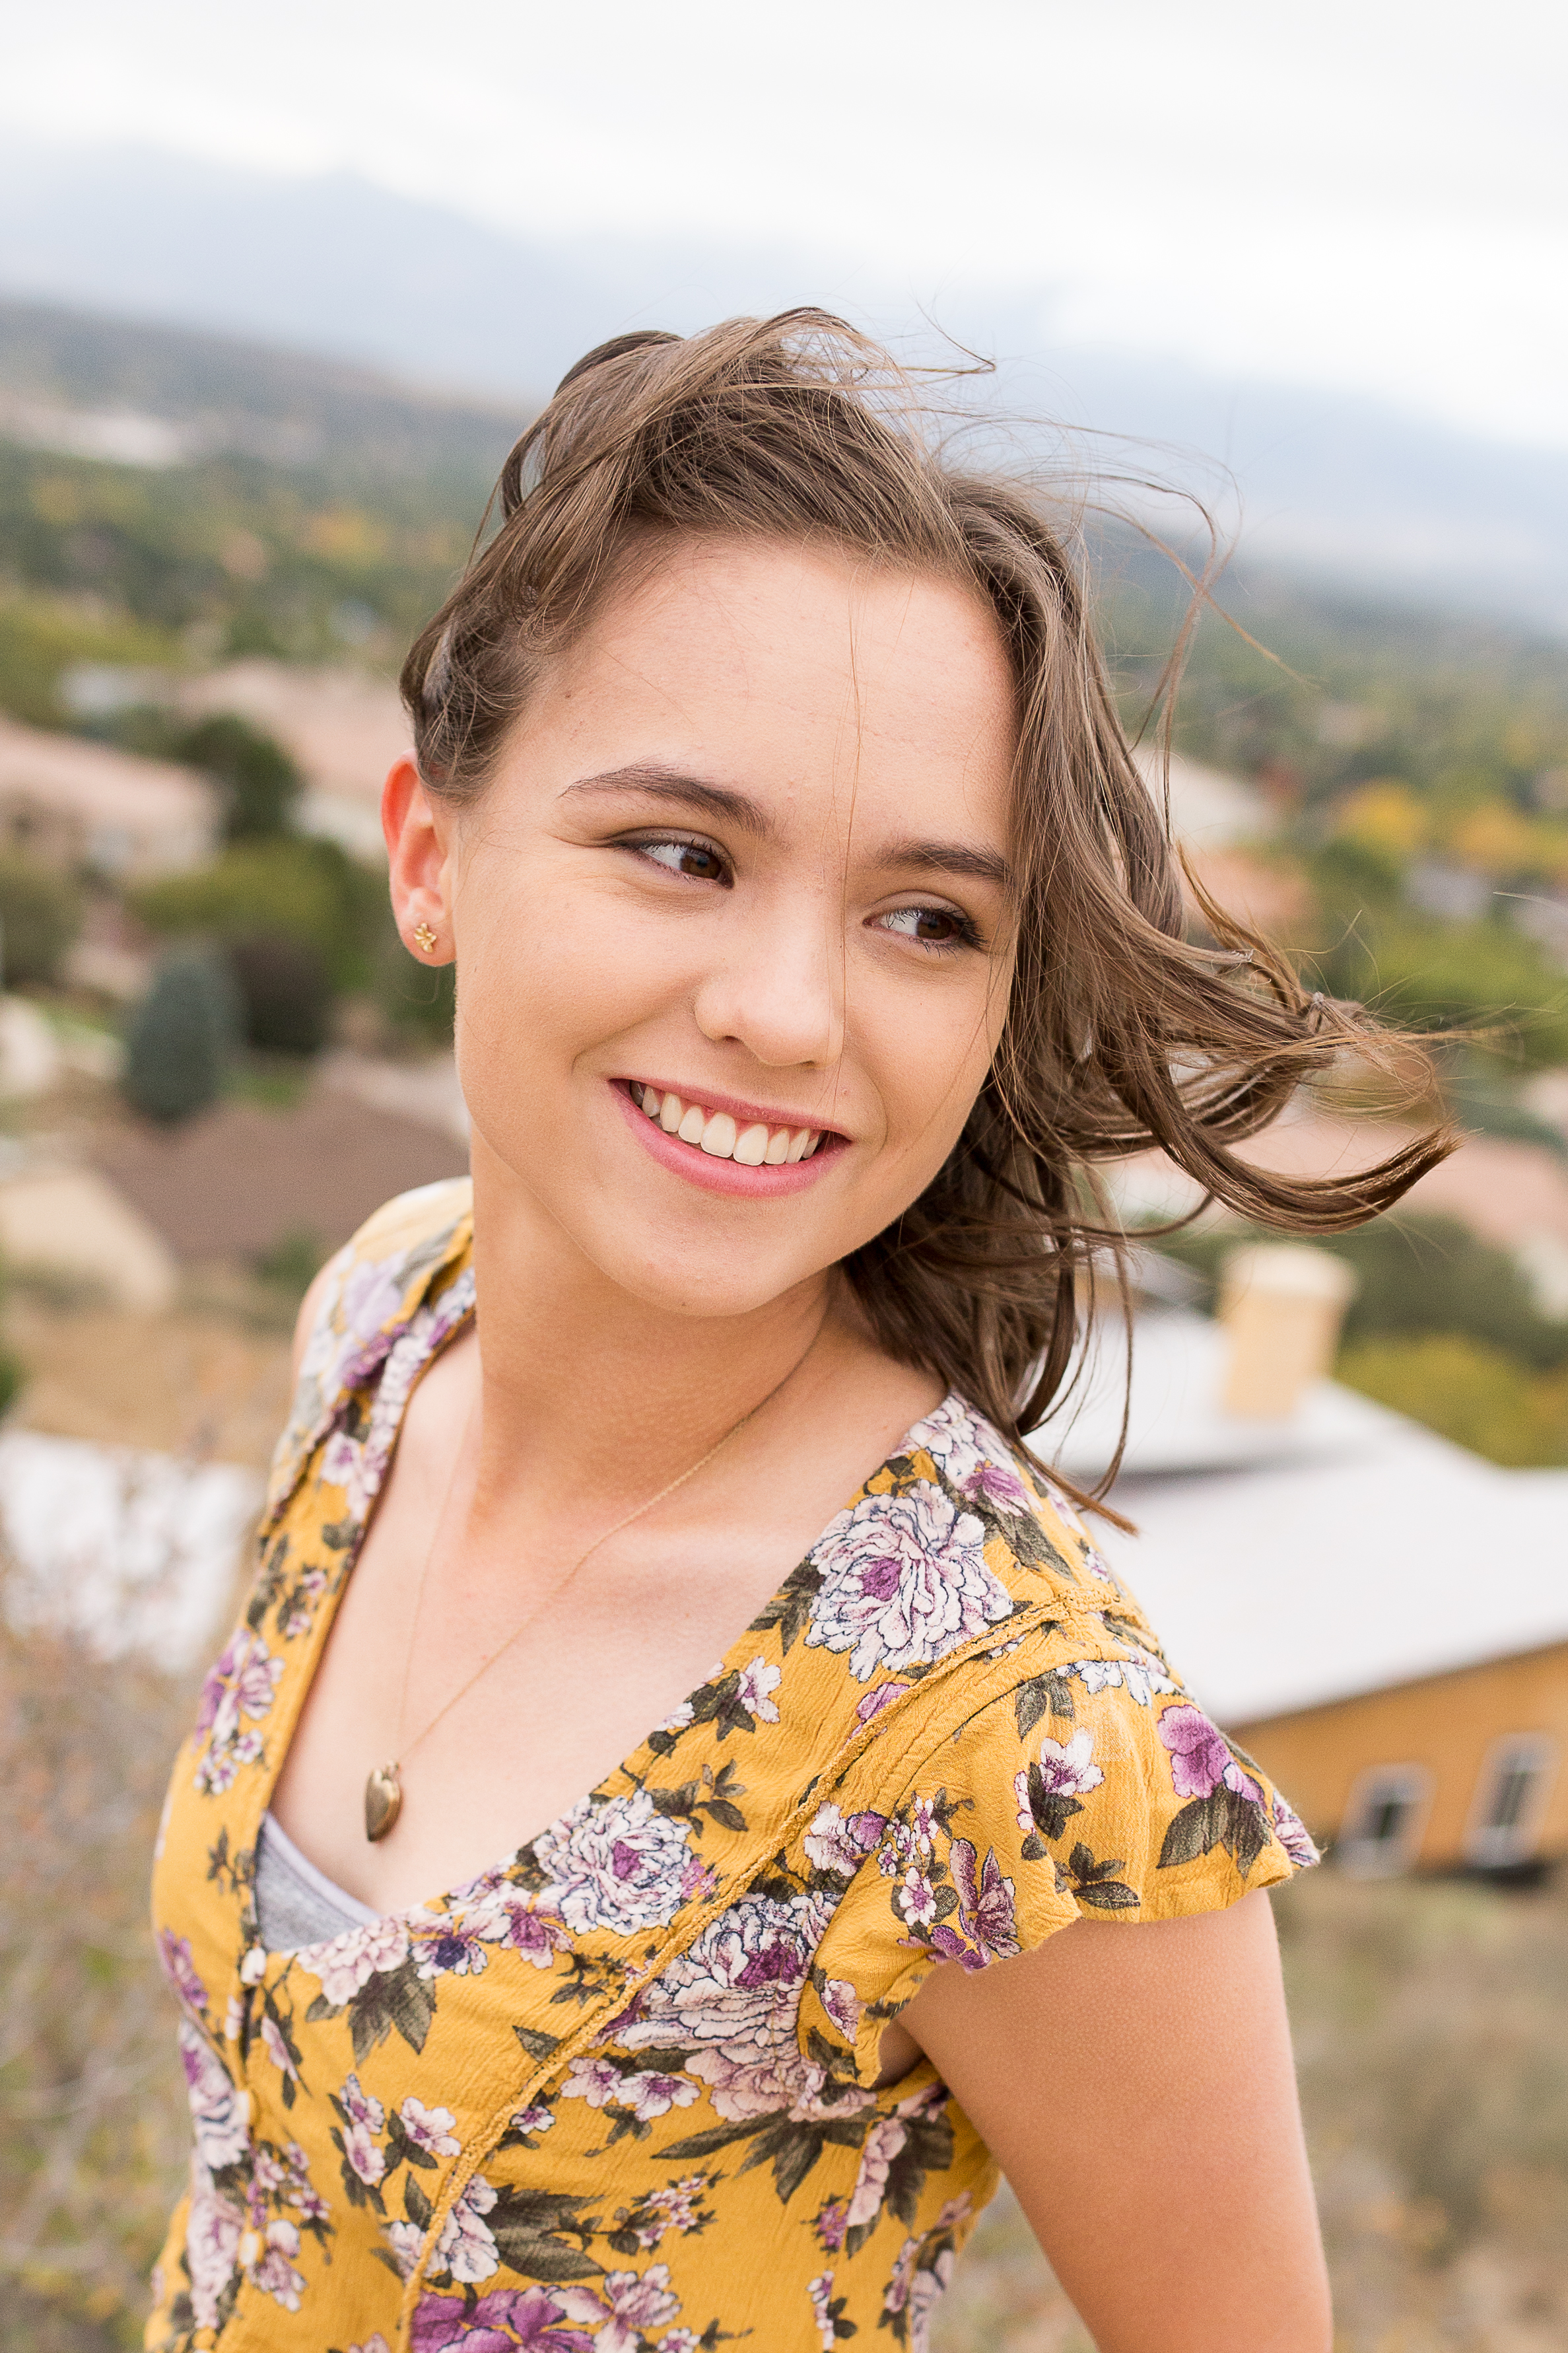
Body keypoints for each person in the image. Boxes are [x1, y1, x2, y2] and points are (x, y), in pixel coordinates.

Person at [147, 314, 1448, 2353]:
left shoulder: (1012, 1735)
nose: (787, 1008)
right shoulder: (384, 1322)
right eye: (683, 851)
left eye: (925, 917)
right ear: (430, 855)